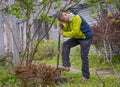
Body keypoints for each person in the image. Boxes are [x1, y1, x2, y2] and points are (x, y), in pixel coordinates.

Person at [56, 11, 93, 80]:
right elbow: (68, 29)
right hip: (78, 37)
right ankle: (66, 65)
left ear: (66, 14)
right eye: (62, 21)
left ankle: (86, 76)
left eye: (63, 20)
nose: (64, 21)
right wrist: (63, 27)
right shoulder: (68, 21)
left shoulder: (76, 18)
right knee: (65, 44)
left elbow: (75, 32)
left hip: (85, 37)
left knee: (83, 56)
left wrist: (63, 34)